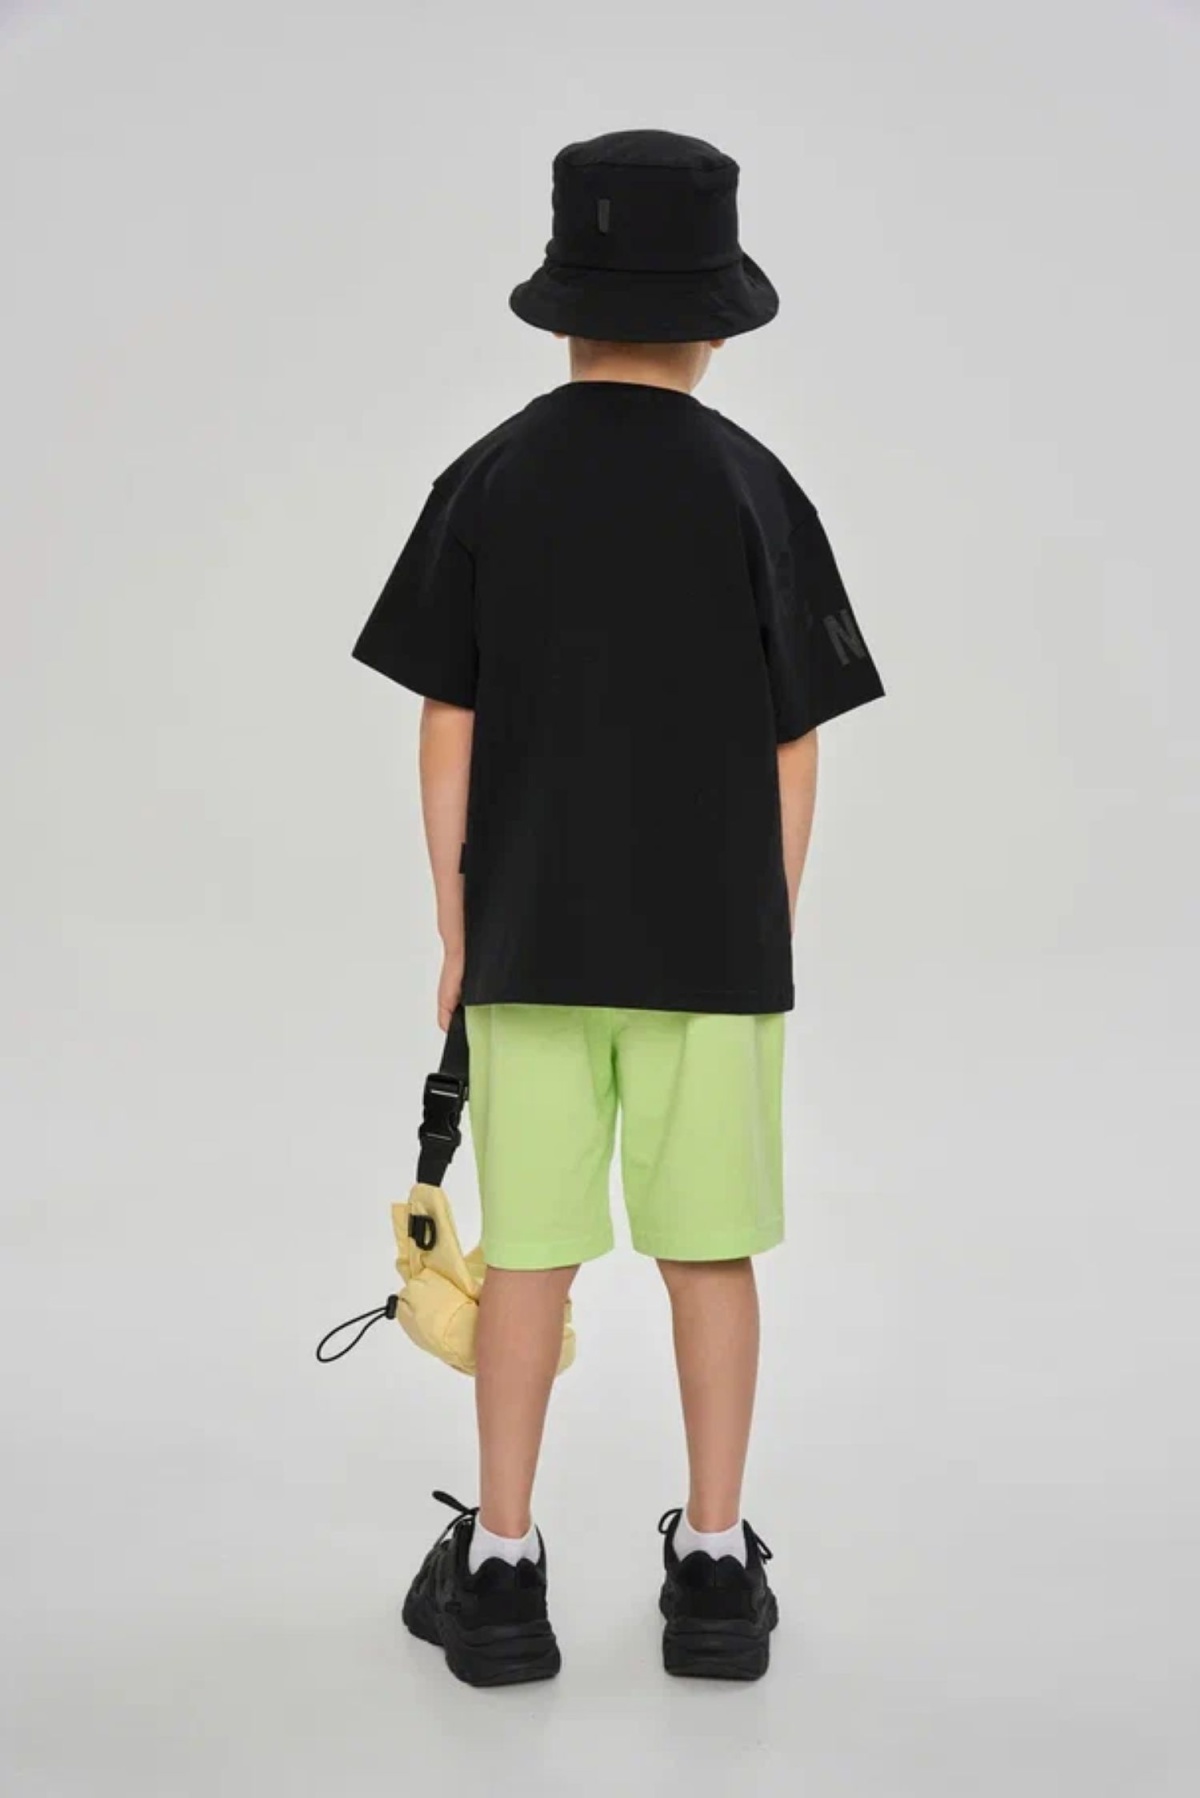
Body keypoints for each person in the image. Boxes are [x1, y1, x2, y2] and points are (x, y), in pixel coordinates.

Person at [350, 128, 886, 1687]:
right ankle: (713, 1566)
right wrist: (763, 924)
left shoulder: (491, 477)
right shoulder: (756, 489)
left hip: (530, 940)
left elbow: (446, 725)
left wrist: (460, 929)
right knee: (709, 1253)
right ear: (715, 325)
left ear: (562, 309)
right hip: (716, 950)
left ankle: (502, 1566)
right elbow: (795, 744)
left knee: (529, 1254)